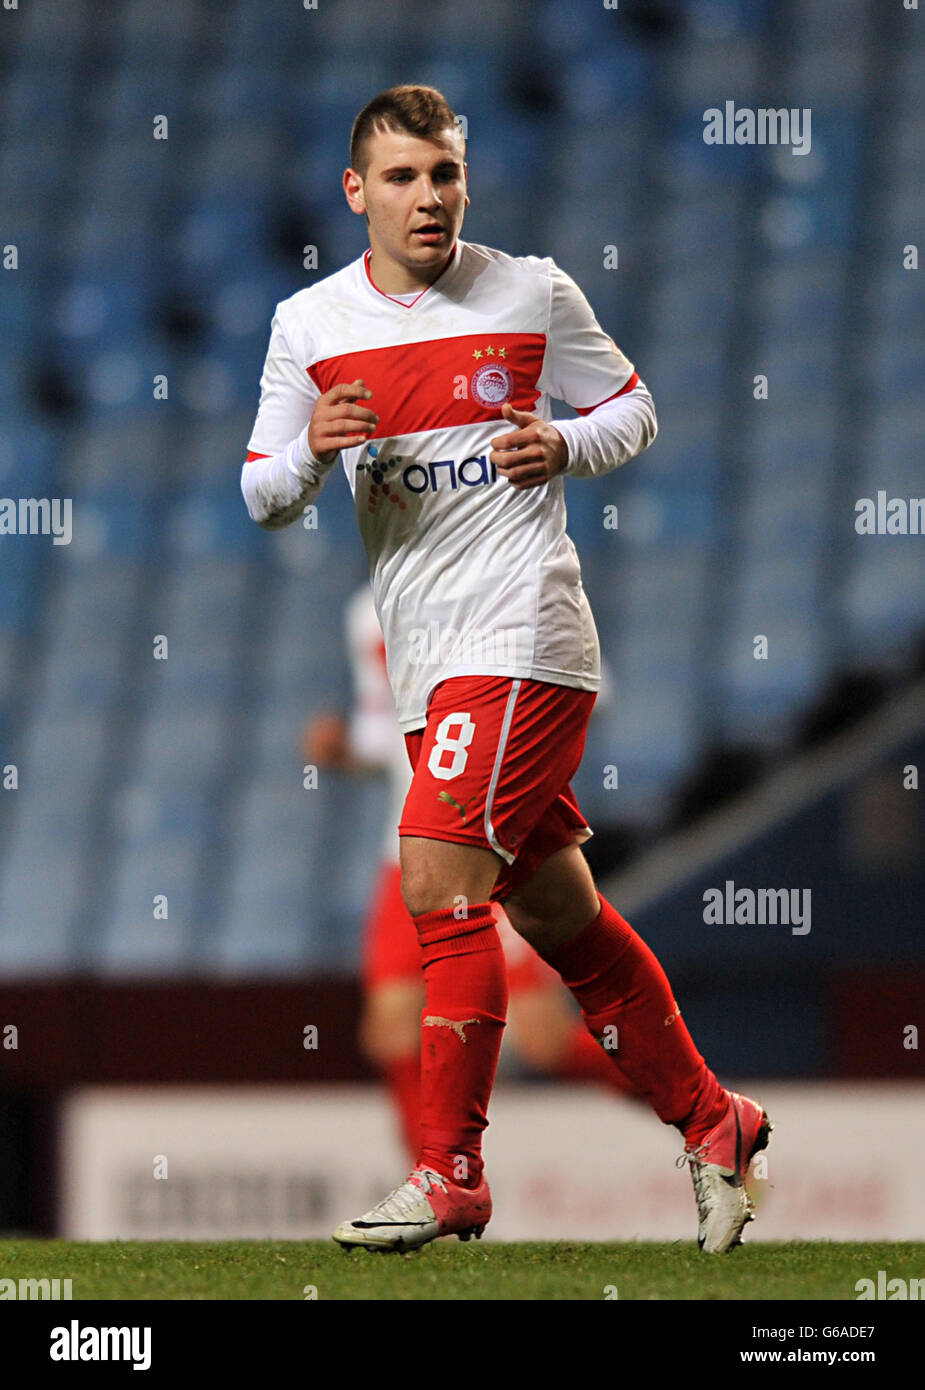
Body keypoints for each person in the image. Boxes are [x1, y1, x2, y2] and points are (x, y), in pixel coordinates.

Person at [241, 84, 771, 1255]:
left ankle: (449, 1174)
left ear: (463, 181)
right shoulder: (308, 324)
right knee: (562, 919)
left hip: (527, 639)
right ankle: (714, 1120)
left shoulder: (532, 290)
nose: (427, 197)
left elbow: (631, 407)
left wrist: (565, 440)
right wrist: (312, 454)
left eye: (444, 175)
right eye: (401, 178)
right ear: (356, 193)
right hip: (433, 669)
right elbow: (261, 492)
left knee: (434, 878)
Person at [303, 585, 639, 1162]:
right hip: (407, 847)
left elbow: (592, 685)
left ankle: (704, 1125)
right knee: (390, 1028)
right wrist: (346, 750)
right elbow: (391, 737)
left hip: (494, 838)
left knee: (543, 1040)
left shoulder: (505, 578)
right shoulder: (366, 613)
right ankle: (434, 1187)